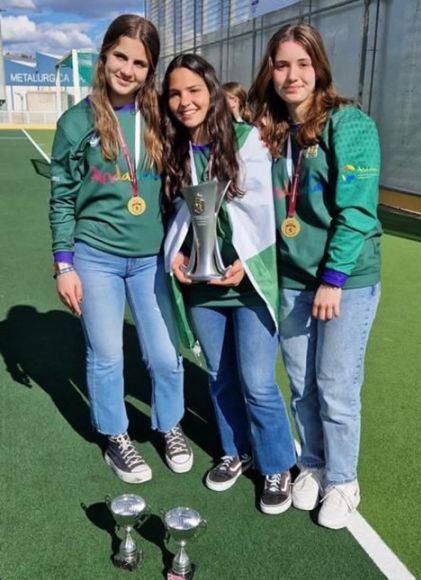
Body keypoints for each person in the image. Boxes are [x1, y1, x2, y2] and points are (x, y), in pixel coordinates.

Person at [250, 23, 382, 529]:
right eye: (282, 64)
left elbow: (357, 213)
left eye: (302, 64)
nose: (292, 75)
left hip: (344, 279)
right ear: (271, 70)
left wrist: (333, 279)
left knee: (335, 385)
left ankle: (344, 480)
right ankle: (313, 462)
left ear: (319, 67)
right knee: (302, 384)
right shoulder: (273, 130)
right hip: (292, 280)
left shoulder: (349, 124)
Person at [49, 14, 189, 484]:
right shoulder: (75, 123)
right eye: (121, 57)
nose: (128, 70)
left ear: (151, 71)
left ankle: (170, 425)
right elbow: (62, 198)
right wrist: (63, 263)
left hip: (150, 259)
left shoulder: (159, 120)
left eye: (141, 63)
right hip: (96, 258)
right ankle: (116, 437)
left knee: (164, 356)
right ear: (104, 54)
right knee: (106, 354)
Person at [161, 54, 295, 514]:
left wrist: (246, 261)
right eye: (175, 93)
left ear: (212, 92)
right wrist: (178, 254)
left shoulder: (248, 140)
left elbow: (264, 215)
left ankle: (277, 463)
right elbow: (177, 218)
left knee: (257, 380)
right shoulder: (176, 149)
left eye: (193, 91)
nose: (184, 102)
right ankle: (235, 451)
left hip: (248, 282)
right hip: (202, 286)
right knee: (219, 376)